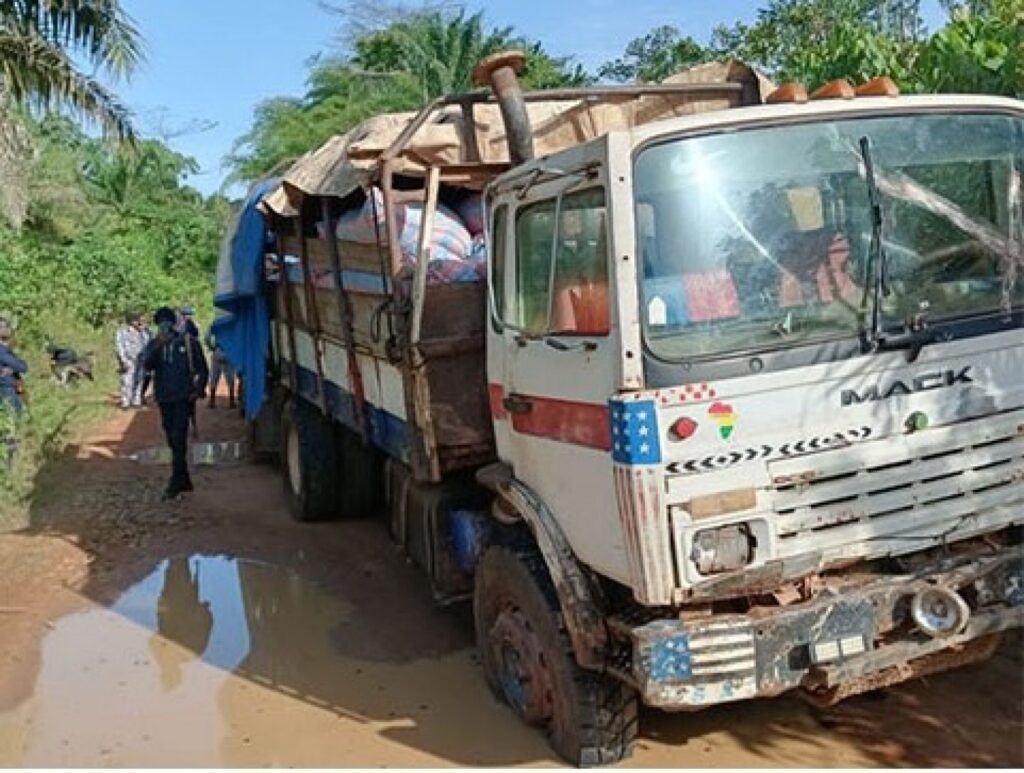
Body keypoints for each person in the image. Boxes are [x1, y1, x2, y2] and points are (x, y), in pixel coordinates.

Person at [143, 307, 209, 500]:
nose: (164, 325)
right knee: (171, 438)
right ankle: (183, 478)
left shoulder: (188, 343)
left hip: (183, 398)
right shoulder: (154, 344)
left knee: (178, 435)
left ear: (173, 323)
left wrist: (198, 390)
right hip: (164, 398)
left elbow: (202, 369)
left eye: (167, 322)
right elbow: (147, 366)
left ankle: (175, 480)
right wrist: (157, 347)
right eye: (160, 322)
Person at [0, 318, 27, 471]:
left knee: (12, 424)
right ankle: (10, 465)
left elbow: (23, 366)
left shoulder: (6, 349)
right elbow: (20, 366)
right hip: (6, 390)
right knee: (10, 427)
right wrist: (13, 367)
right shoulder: (2, 351)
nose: (8, 329)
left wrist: (13, 368)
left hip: (11, 388)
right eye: (4, 327)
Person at [115, 312, 148, 409]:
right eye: (137, 320)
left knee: (139, 380)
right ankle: (125, 402)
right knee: (127, 381)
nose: (139, 322)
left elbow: (147, 344)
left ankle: (136, 401)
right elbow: (119, 346)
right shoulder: (123, 332)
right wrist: (123, 360)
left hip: (141, 359)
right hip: (129, 360)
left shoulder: (144, 332)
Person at [204, 330, 236, 409]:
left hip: (218, 350)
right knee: (230, 376)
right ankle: (232, 401)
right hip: (229, 351)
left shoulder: (217, 323)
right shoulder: (232, 323)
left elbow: (207, 337)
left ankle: (212, 401)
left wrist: (212, 347)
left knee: (214, 375)